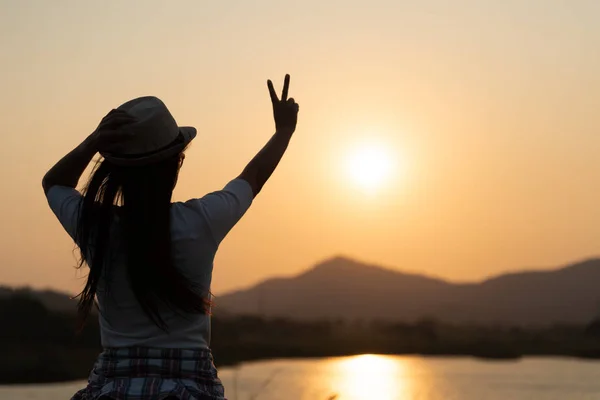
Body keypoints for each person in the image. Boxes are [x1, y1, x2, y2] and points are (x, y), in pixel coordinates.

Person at [42, 75, 299, 400]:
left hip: (111, 387)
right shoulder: (203, 220)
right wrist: (284, 131)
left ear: (115, 170)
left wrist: (94, 140)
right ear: (177, 163)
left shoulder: (97, 227)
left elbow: (55, 184)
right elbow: (254, 177)